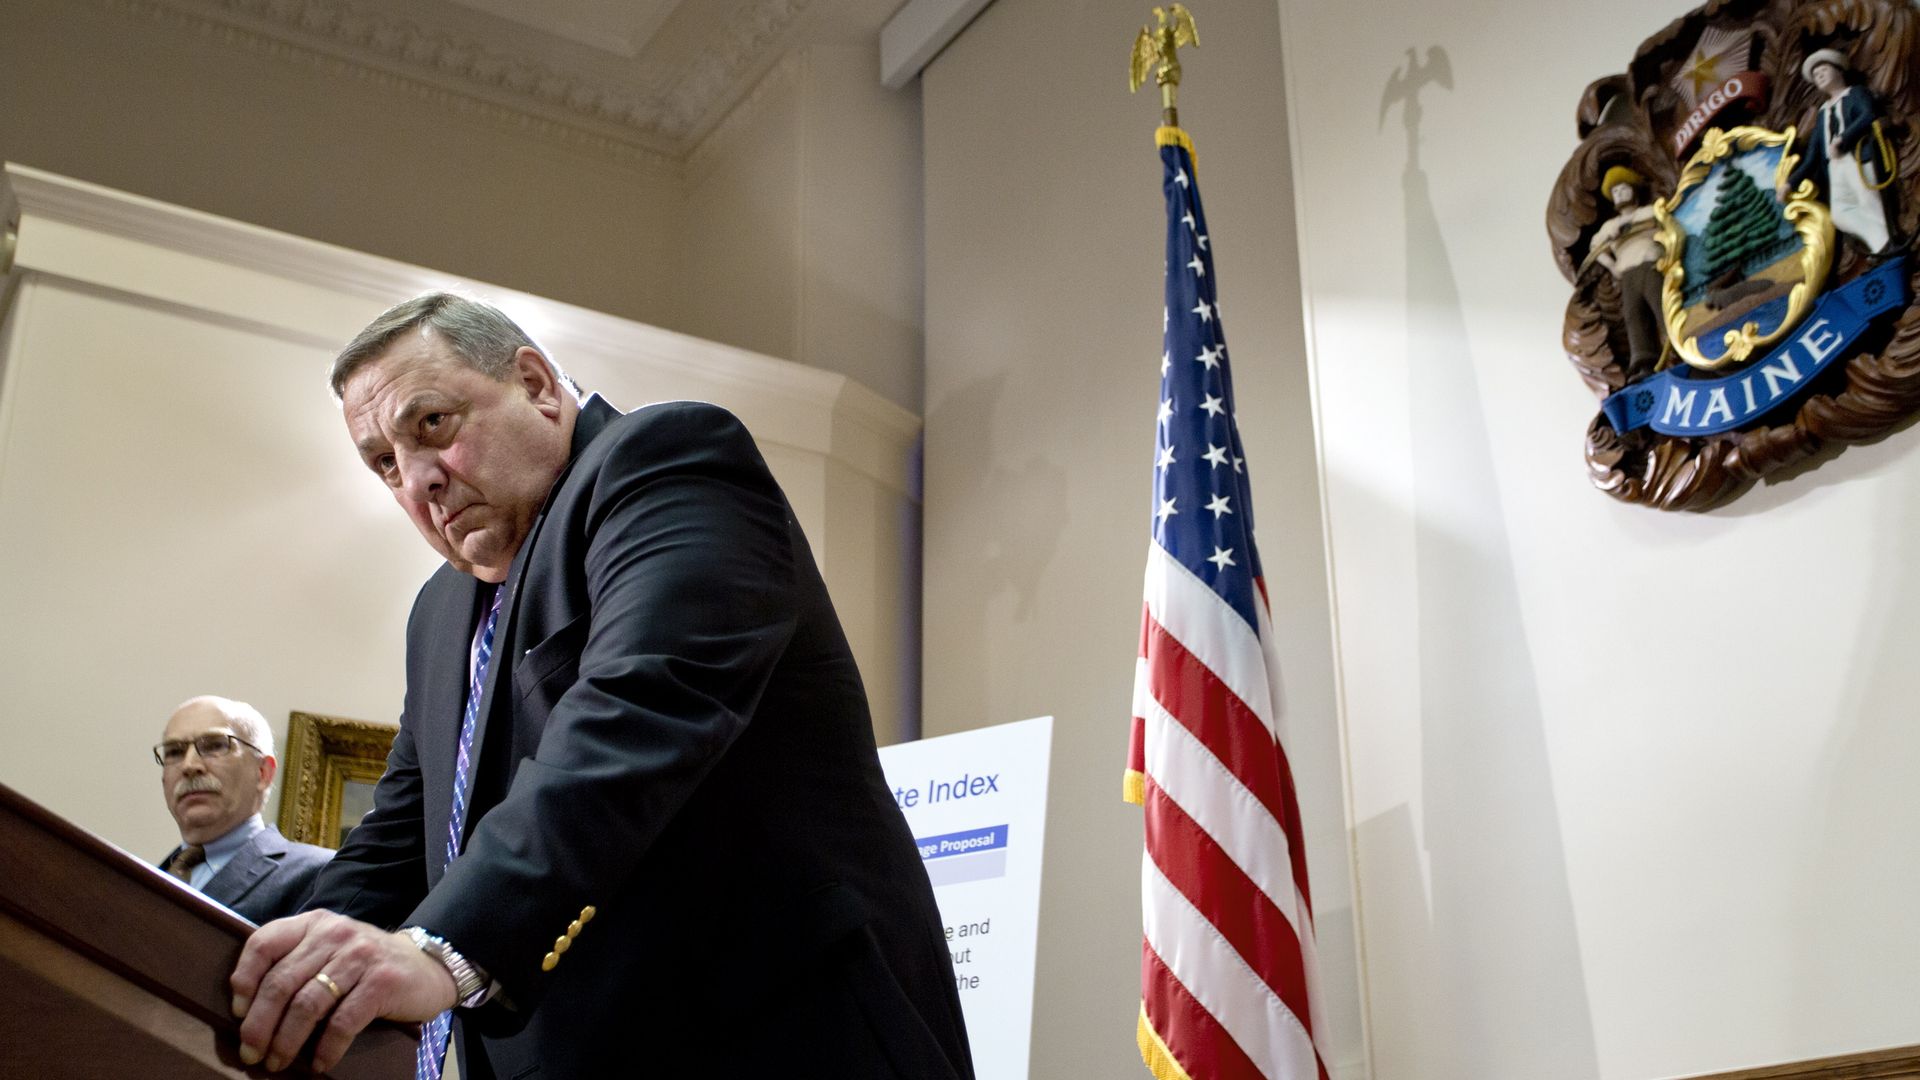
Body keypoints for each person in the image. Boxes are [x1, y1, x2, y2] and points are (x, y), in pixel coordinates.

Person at [228, 293, 973, 1080]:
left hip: (780, 1041)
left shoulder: (668, 462)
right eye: (384, 463)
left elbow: (638, 708)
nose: (418, 481)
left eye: (434, 425)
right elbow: (403, 838)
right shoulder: (440, 612)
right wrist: (254, 974)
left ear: (536, 385)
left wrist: (442, 948)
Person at [155, 695, 333, 924]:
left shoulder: (321, 875)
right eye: (174, 752)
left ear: (263, 773)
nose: (189, 765)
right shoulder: (139, 880)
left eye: (215, 746)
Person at [1785, 48, 1893, 254]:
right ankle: (1883, 243)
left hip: (1857, 158)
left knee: (1869, 202)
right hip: (1835, 168)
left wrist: (1842, 140)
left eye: (1824, 70)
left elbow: (1868, 114)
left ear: (1839, 70)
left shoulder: (1855, 93)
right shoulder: (1823, 112)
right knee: (1840, 214)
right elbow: (1812, 155)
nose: (1820, 76)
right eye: (1816, 75)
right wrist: (1791, 183)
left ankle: (1885, 247)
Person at [1587, 165, 1670, 375]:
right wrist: (1612, 266)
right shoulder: (1609, 226)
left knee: (1662, 307)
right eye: (1615, 191)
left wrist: (1625, 224)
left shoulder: (1646, 211)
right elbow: (1595, 248)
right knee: (1634, 317)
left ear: (1634, 190)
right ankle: (1644, 361)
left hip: (1650, 266)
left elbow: (1662, 218)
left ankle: (1676, 345)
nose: (1620, 194)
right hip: (1627, 275)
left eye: (1624, 188)